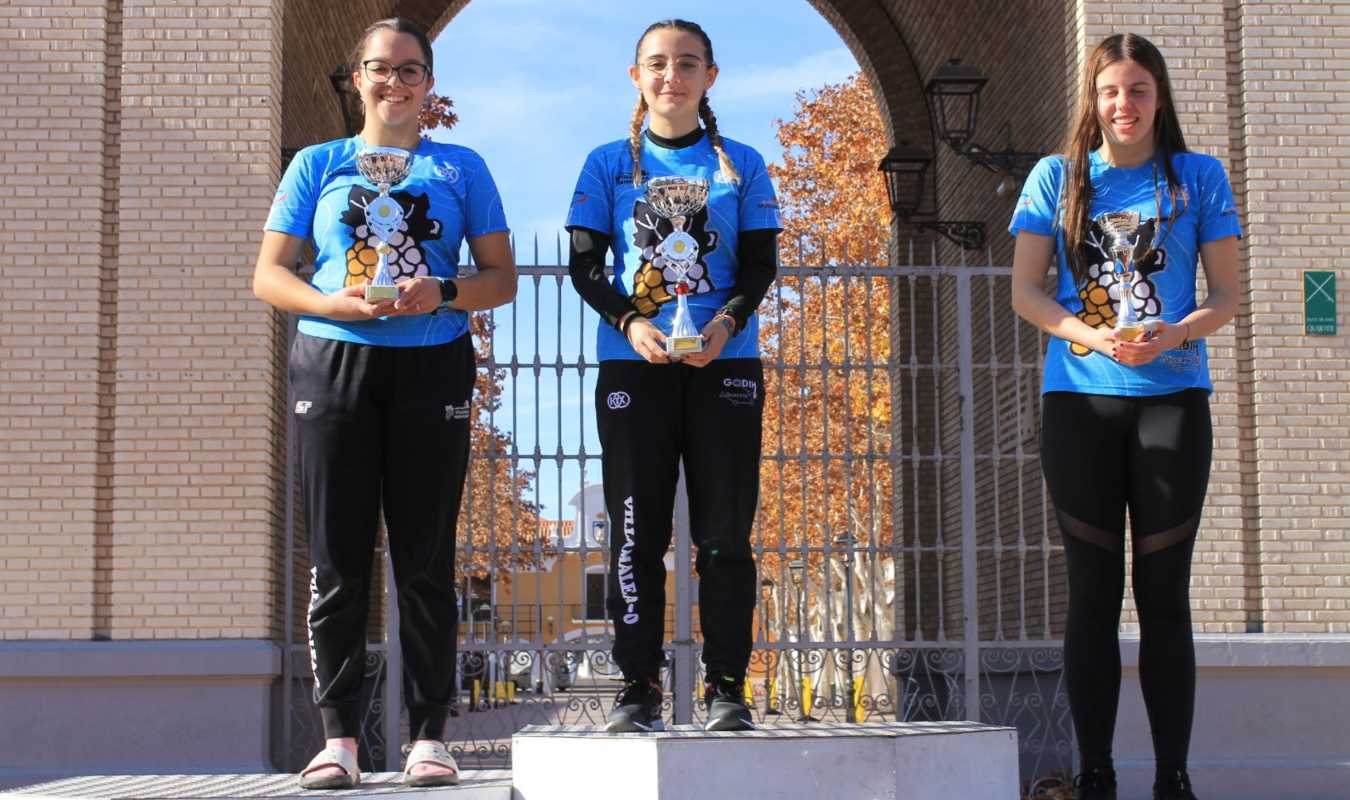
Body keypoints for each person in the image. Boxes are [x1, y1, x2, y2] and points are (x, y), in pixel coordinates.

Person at [252, 17, 516, 789]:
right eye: (379, 69)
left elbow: (499, 277)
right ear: (356, 79)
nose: (394, 83)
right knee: (336, 561)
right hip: (332, 364)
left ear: (428, 85)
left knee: (426, 560)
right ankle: (338, 741)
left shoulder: (462, 168)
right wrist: (331, 303)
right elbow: (270, 275)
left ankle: (430, 737)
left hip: (432, 365)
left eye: (409, 71)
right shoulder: (317, 163)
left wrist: (445, 290)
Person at [1009, 32, 1240, 800]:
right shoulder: (1057, 177)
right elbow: (1027, 293)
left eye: (1138, 90)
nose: (1124, 104)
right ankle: (1096, 775)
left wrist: (1176, 332)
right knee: (1092, 594)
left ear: (1158, 97)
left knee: (1165, 594)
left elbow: (1229, 297)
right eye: (1111, 91)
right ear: (1094, 100)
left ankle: (1173, 779)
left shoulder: (1199, 177)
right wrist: (1091, 336)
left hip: (1173, 403)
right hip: (1080, 403)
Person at [565, 18, 781, 733]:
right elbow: (587, 266)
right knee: (636, 536)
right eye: (657, 64)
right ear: (637, 77)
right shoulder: (605, 164)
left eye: (687, 63)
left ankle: (727, 690)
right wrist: (633, 323)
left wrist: (722, 328)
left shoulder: (741, 164)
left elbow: (758, 266)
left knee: (724, 535)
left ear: (709, 77)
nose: (671, 76)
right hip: (637, 365)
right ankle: (637, 689)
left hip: (725, 363)